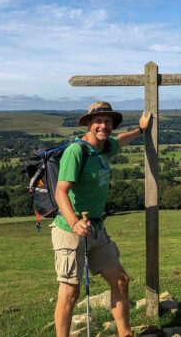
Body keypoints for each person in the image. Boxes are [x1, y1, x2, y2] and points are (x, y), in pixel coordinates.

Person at [51, 101, 151, 337]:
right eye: (98, 121)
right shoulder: (77, 151)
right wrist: (75, 222)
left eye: (107, 122)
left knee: (120, 280)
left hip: (96, 226)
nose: (103, 126)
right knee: (70, 291)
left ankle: (125, 333)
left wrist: (141, 130)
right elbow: (60, 191)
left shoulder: (105, 147)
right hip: (69, 228)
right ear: (88, 124)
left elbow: (122, 140)